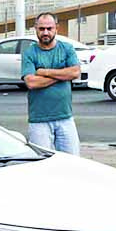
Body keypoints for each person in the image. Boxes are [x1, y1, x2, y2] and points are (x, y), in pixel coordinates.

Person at [20, 12, 82, 155]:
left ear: (56, 28)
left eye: (49, 28)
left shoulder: (67, 48)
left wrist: (44, 72)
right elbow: (31, 82)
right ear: (36, 29)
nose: (45, 32)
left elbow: (75, 72)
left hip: (65, 118)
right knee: (43, 163)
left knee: (72, 162)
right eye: (41, 29)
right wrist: (62, 74)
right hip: (39, 121)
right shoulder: (29, 53)